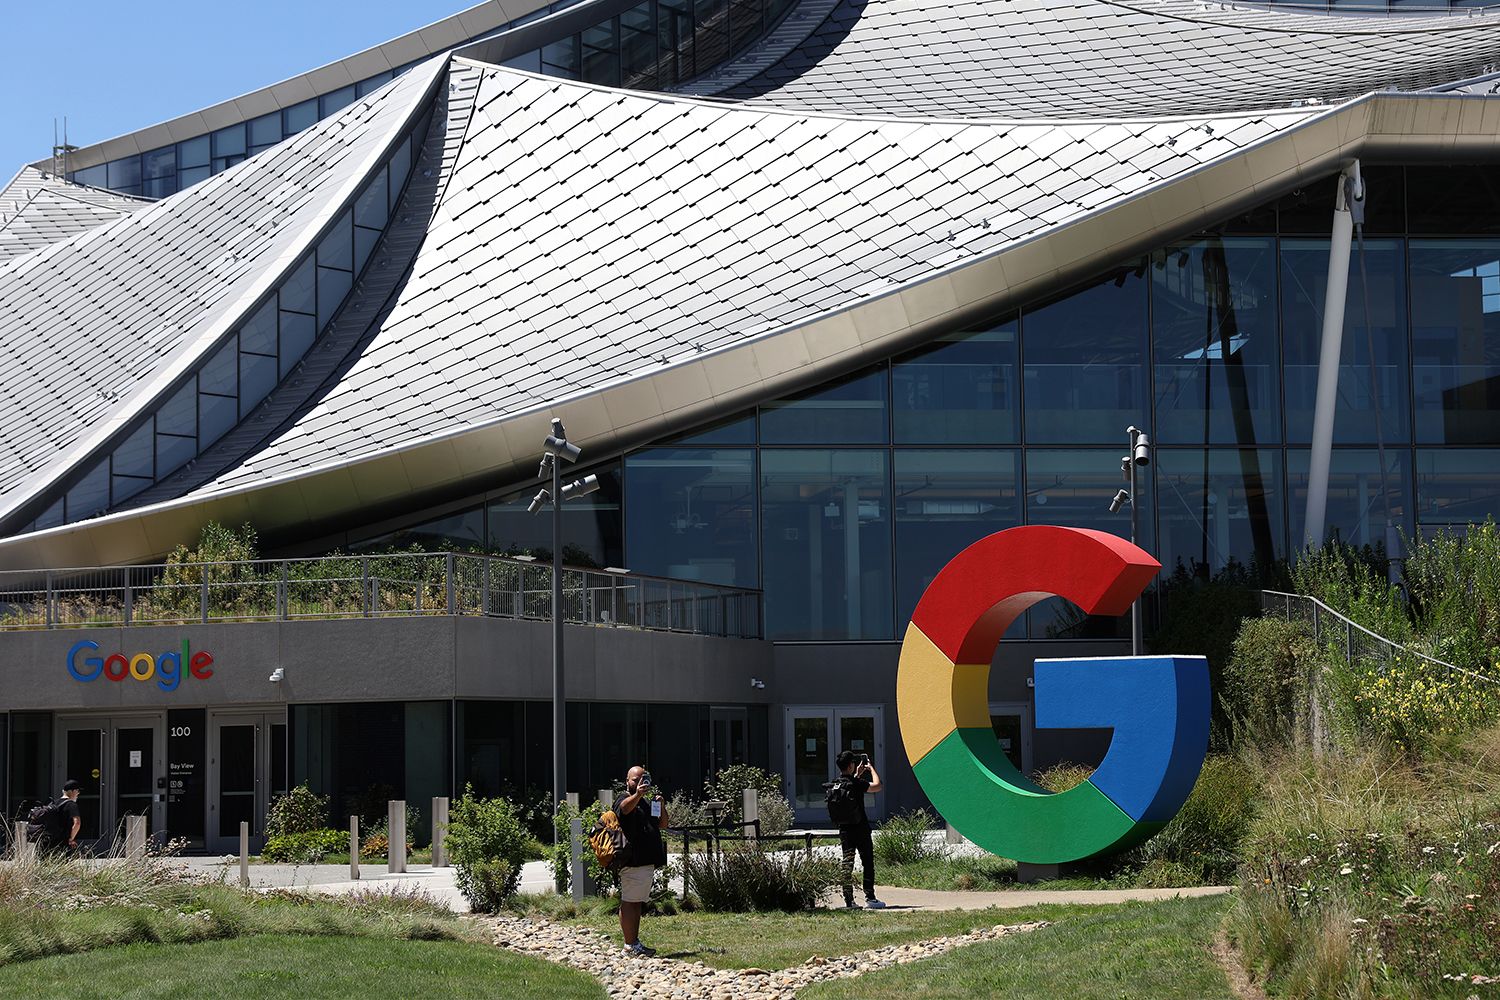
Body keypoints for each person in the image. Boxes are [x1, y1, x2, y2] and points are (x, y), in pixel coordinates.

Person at [613, 764, 669, 957]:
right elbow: (624, 809)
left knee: (636, 902)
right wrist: (637, 795)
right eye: (635, 779)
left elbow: (662, 824)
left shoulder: (646, 802)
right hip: (632, 861)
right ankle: (629, 945)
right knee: (629, 902)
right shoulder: (624, 798)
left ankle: (634, 943)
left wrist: (661, 805)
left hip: (646, 861)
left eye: (643, 779)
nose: (639, 783)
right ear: (627, 781)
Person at [832, 750, 885, 909]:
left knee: (847, 863)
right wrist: (871, 769)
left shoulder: (837, 783)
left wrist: (857, 774)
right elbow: (877, 786)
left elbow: (851, 784)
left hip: (845, 830)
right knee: (867, 862)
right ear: (850, 765)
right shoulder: (856, 784)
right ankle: (870, 897)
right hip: (861, 829)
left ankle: (849, 900)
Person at [29, 779, 82, 855]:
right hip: (62, 843)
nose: (78, 794)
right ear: (72, 791)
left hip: (47, 842)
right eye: (78, 791)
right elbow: (77, 823)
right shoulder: (71, 805)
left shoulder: (53, 803)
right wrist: (71, 838)